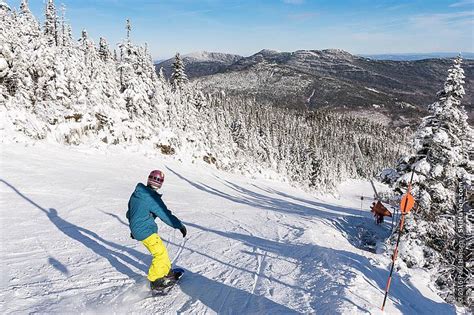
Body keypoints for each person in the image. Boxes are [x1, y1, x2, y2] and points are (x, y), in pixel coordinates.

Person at [126, 170, 187, 289]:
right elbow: (165, 214)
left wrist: (134, 229)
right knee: (160, 254)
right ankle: (155, 281)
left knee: (161, 251)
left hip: (138, 229)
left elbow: (130, 213)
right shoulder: (151, 198)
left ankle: (165, 272)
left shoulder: (137, 193)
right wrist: (179, 225)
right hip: (145, 231)